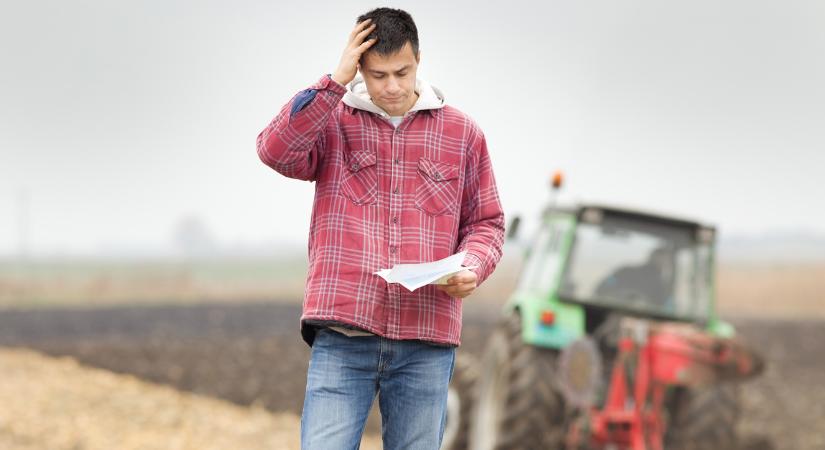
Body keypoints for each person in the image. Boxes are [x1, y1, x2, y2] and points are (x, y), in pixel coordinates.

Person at [255, 7, 505, 450]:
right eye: (377, 74)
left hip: (426, 340)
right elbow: (275, 151)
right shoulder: (331, 121)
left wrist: (473, 266)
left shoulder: (463, 133)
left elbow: (486, 222)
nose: (391, 86)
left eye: (401, 72)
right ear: (359, 68)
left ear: (419, 61)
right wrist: (332, 82)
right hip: (343, 335)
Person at [595, 246, 676, 308]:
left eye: (665, 261)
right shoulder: (625, 272)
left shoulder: (662, 286)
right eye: (661, 259)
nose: (662, 263)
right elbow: (603, 287)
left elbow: (664, 307)